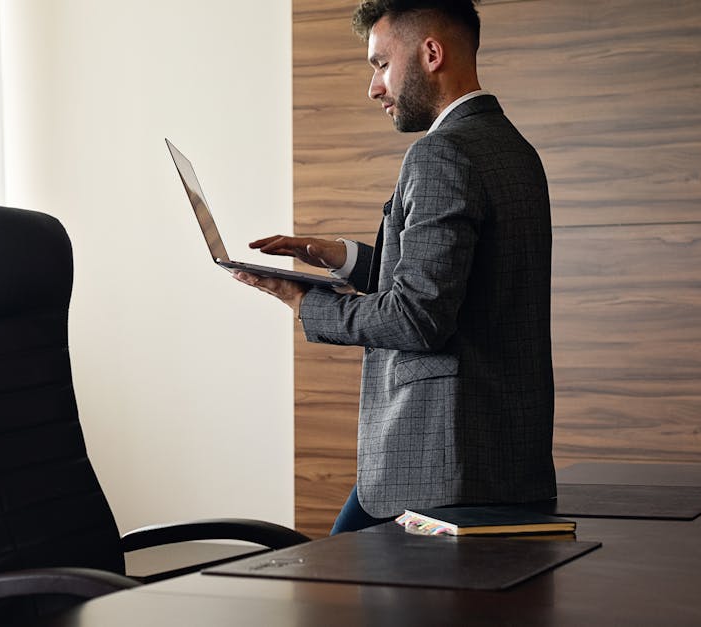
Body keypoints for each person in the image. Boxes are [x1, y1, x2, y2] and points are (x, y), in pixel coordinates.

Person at [234, 0, 555, 534]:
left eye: (381, 63)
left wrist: (304, 302)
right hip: (504, 462)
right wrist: (343, 258)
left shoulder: (441, 154)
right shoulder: (514, 150)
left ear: (431, 53)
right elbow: (460, 281)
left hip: (436, 469)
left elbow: (417, 317)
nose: (374, 87)